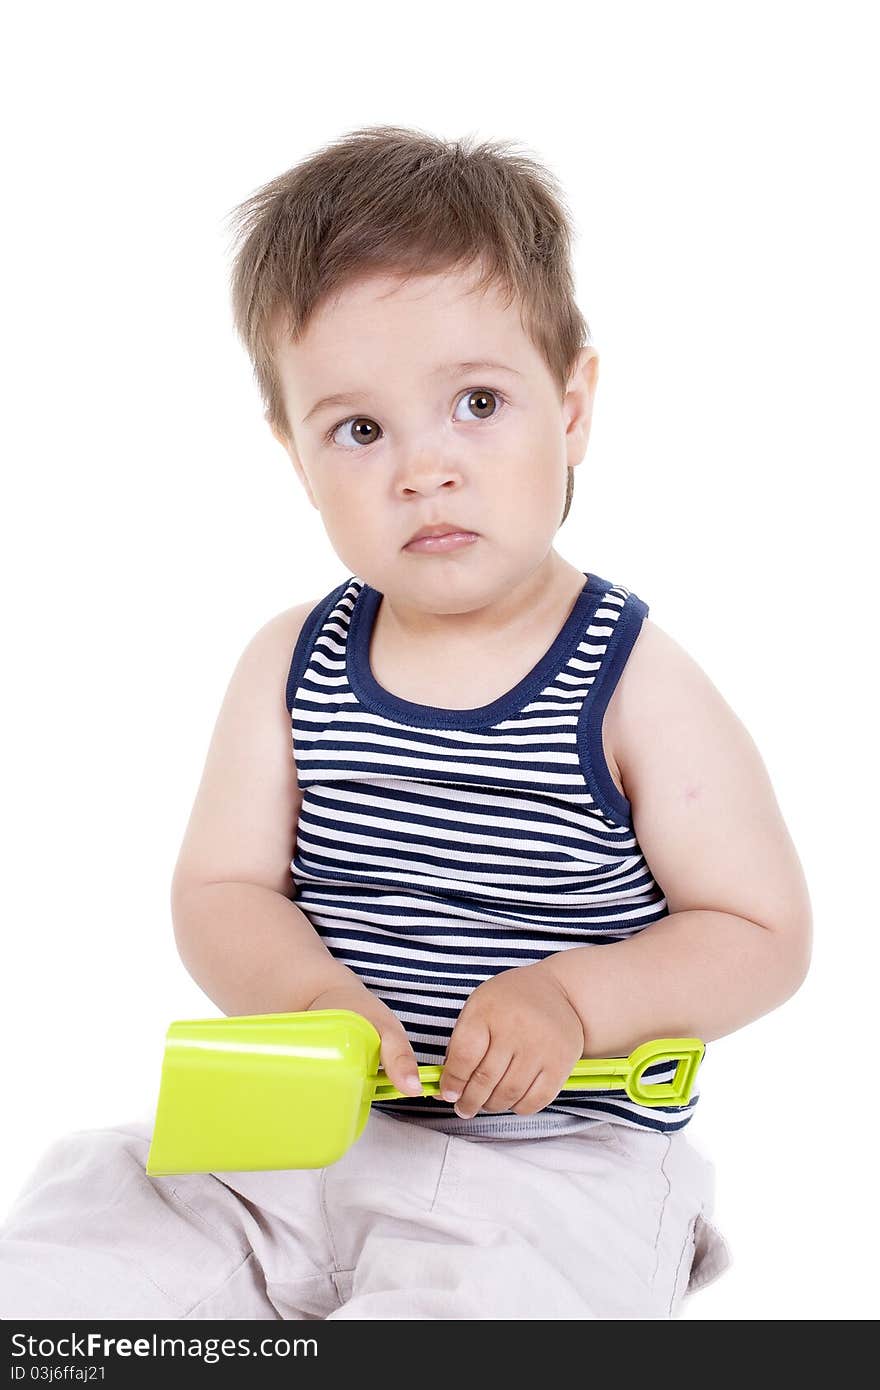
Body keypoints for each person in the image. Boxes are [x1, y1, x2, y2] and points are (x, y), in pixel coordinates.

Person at [0, 124, 812, 1320]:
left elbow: (759, 929)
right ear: (294, 453)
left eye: (477, 403)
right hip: (301, 1138)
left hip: (553, 1168)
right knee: (76, 1259)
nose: (422, 469)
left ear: (573, 406)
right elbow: (222, 889)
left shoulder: (633, 678)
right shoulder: (292, 662)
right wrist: (312, 999)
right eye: (360, 430)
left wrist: (574, 999)